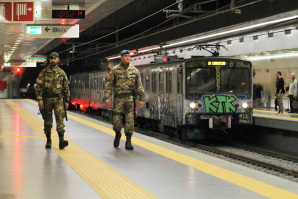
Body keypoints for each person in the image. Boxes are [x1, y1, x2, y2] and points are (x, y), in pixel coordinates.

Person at [104, 50, 145, 150]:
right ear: (121, 57)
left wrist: (141, 99)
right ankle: (118, 133)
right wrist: (107, 97)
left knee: (130, 120)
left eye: (129, 56)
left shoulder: (135, 71)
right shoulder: (114, 70)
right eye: (125, 56)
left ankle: (128, 141)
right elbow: (109, 84)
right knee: (116, 120)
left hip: (130, 98)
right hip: (118, 98)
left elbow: (139, 85)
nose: (128, 58)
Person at [35, 52, 70, 149]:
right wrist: (39, 99)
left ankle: (61, 141)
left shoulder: (62, 73)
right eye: (51, 59)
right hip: (47, 100)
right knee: (48, 122)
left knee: (60, 121)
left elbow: (66, 87)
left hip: (59, 100)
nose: (53, 60)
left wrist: (67, 100)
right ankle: (48, 140)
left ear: (58, 60)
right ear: (49, 60)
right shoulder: (44, 72)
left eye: (55, 58)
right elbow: (38, 86)